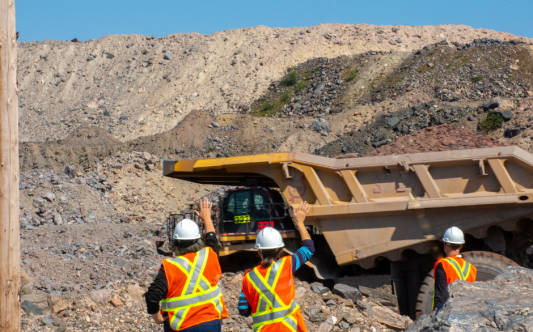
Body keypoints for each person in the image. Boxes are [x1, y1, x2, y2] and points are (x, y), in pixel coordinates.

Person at [145, 198, 228, 332]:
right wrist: (206, 217)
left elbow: (152, 296)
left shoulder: (169, 267)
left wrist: (158, 319)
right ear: (198, 240)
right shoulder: (210, 255)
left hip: (181, 326)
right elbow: (212, 237)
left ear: (175, 242)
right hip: (210, 323)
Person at [239, 201, 314, 332]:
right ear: (280, 251)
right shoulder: (287, 264)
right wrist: (300, 222)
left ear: (258, 251)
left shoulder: (249, 277)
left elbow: (243, 310)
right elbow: (309, 248)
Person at [433, 226, 477, 312]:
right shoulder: (471, 268)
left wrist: (434, 316)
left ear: (445, 245)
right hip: (467, 313)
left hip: (449, 313)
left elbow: (440, 294)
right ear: (461, 247)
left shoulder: (443, 265)